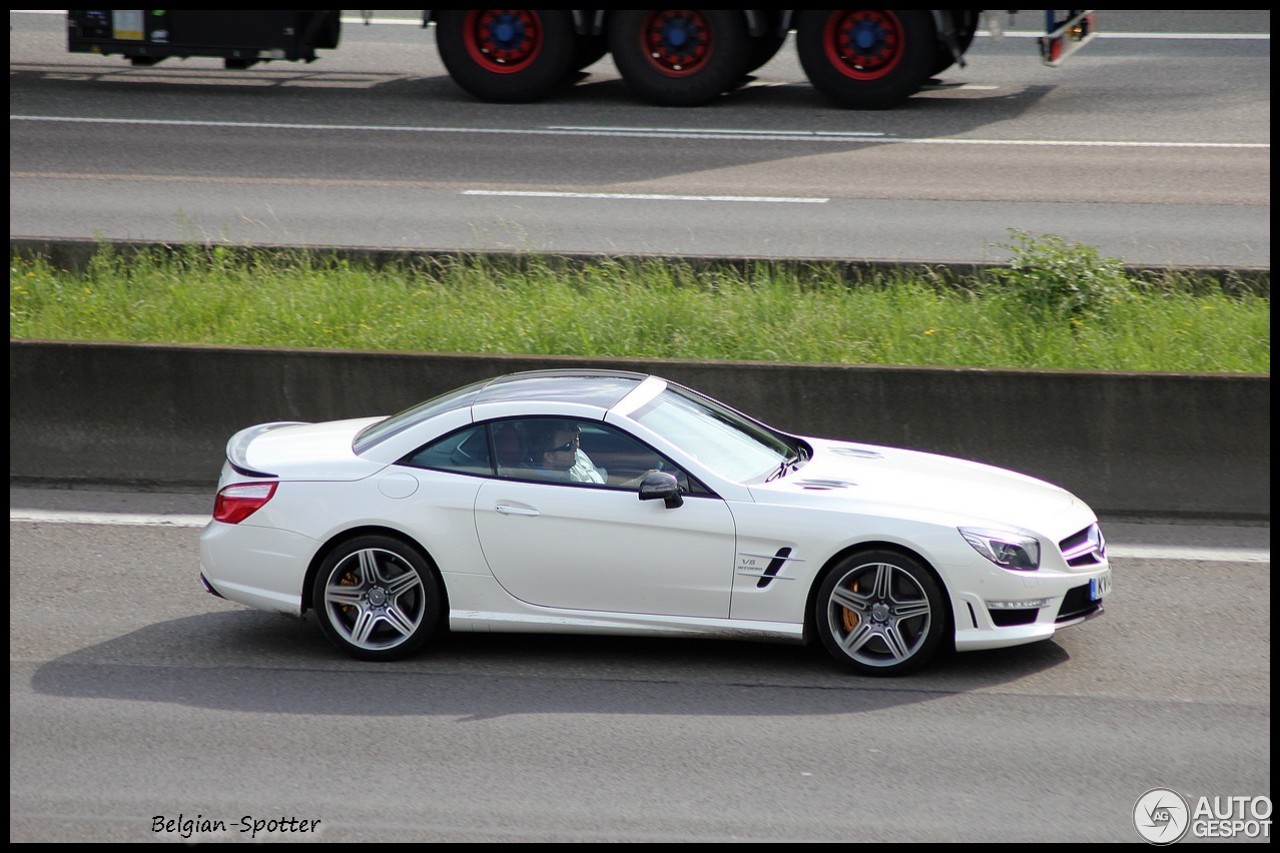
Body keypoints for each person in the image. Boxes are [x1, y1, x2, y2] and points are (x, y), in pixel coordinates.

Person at [527, 421, 605, 484]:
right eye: (568, 445)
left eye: (573, 442)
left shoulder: (574, 458)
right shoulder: (546, 484)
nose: (575, 448)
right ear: (549, 456)